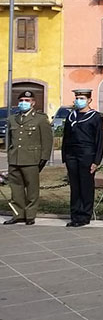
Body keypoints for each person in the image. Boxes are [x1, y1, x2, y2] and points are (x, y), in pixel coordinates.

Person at [3, 91, 52, 225]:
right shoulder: (13, 118)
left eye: (27, 100)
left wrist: (44, 158)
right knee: (16, 189)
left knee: (32, 189)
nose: (23, 103)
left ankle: (30, 215)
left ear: (33, 103)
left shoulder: (40, 119)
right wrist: (9, 154)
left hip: (31, 159)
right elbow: (10, 139)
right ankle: (18, 214)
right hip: (15, 159)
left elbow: (47, 140)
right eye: (21, 100)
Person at [61, 89, 103, 227]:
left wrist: (96, 161)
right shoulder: (71, 116)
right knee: (75, 187)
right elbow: (65, 137)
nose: (78, 100)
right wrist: (65, 157)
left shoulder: (95, 117)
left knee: (86, 186)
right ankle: (75, 215)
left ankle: (85, 216)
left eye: (81, 98)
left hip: (87, 155)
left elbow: (99, 141)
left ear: (89, 100)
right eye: (77, 98)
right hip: (72, 155)